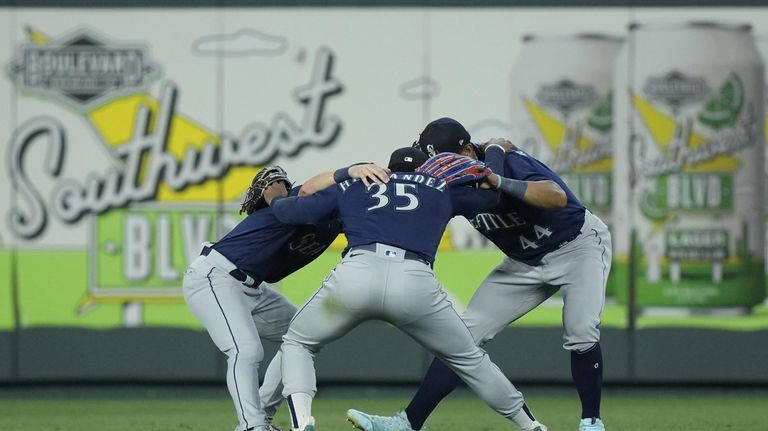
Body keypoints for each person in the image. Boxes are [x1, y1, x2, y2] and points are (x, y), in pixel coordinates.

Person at [346, 118, 613, 431]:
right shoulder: (449, 181)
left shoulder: (508, 160)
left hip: (577, 245)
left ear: (469, 150)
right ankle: (408, 423)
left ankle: (591, 422)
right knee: (459, 339)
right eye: (436, 163)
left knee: (580, 330)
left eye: (448, 160)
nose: (443, 169)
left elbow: (556, 197)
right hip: (524, 261)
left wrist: (499, 179)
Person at [268, 148, 556, 431]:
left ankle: (302, 421)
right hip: (415, 282)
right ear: (422, 170)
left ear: (387, 168)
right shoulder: (440, 188)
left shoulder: (356, 184)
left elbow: (292, 210)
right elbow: (493, 196)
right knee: (470, 359)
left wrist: (275, 198)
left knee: (298, 343)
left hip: (357, 275)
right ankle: (530, 425)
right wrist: (493, 155)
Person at [182, 164, 388, 431]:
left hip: (253, 288)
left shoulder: (339, 221)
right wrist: (282, 190)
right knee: (245, 350)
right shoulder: (303, 200)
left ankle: (263, 417)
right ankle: (251, 426)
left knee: (300, 339)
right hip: (215, 276)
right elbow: (306, 189)